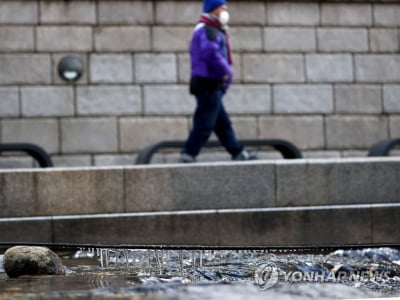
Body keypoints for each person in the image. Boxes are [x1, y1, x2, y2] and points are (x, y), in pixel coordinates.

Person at [180, 0, 258, 163]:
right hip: (208, 83)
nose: (225, 10)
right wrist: (227, 71)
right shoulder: (207, 29)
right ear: (213, 9)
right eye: (222, 7)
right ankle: (189, 153)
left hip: (210, 83)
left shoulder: (210, 28)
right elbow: (211, 53)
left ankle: (237, 152)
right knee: (205, 123)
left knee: (222, 124)